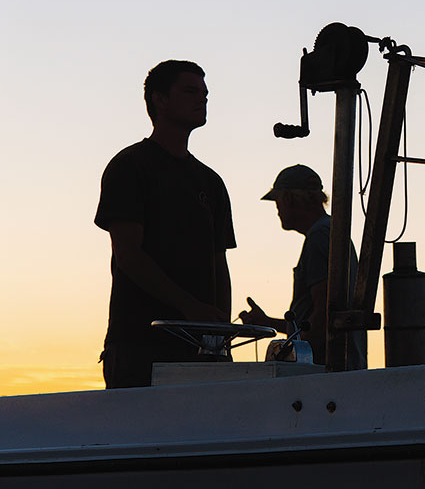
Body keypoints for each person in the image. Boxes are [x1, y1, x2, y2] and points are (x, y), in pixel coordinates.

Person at [94, 60, 235, 388]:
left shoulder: (210, 182)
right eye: (190, 91)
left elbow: (219, 264)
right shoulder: (130, 167)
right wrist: (189, 308)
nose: (201, 99)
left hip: (201, 351)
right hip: (141, 345)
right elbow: (128, 253)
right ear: (159, 99)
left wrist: (220, 333)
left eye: (205, 94)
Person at [240, 165, 364, 368]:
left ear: (288, 198)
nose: (277, 210)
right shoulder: (331, 232)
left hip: (323, 372)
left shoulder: (318, 237)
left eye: (277, 201)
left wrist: (291, 354)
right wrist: (267, 323)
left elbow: (323, 312)